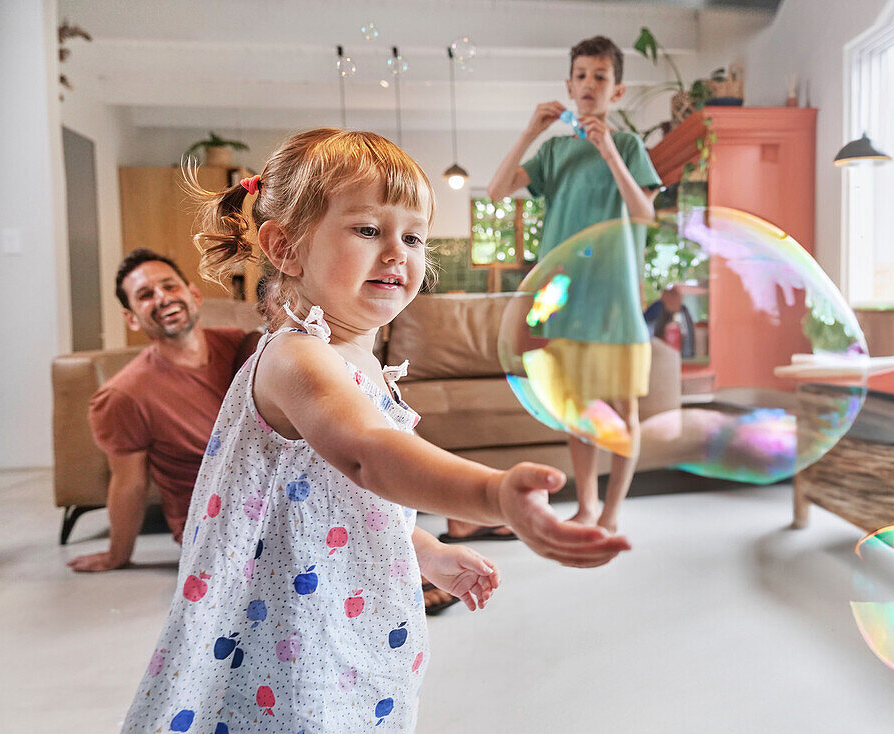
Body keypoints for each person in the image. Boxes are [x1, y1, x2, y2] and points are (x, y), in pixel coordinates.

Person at [119, 129, 630, 733]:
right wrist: (491, 494)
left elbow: (344, 507)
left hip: (350, 628)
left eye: (413, 236)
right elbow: (369, 456)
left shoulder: (363, 364)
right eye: (368, 230)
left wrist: (427, 554)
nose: (398, 252)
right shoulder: (297, 358)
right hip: (289, 650)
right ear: (285, 247)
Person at [486, 36, 661, 533]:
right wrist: (529, 132)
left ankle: (611, 512)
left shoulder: (628, 146)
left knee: (623, 410)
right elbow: (498, 190)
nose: (589, 84)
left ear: (617, 91)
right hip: (560, 298)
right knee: (576, 410)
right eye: (581, 75)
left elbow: (644, 214)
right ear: (568, 84)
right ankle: (585, 506)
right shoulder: (555, 151)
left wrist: (609, 152)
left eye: (600, 76)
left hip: (614, 299)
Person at [67, 249, 258, 572]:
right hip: (215, 531)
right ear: (131, 317)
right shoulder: (123, 395)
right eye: (145, 295)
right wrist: (118, 554)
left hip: (279, 499)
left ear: (193, 294)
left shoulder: (242, 345)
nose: (162, 298)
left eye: (169, 286)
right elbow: (129, 483)